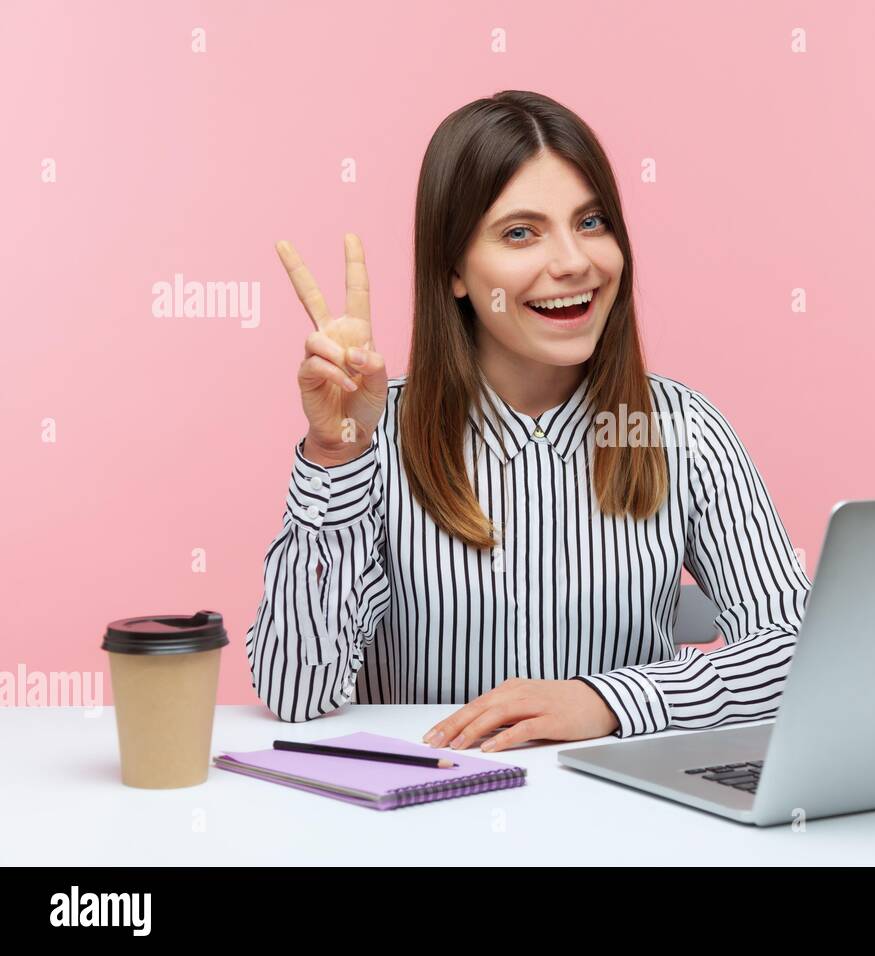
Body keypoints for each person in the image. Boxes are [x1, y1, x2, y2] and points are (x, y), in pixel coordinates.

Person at [246, 90, 811, 754]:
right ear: (455, 271)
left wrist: (607, 700)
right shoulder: (378, 436)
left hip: (623, 823)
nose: (573, 262)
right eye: (521, 232)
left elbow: (799, 653)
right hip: (422, 828)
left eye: (592, 222)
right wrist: (335, 455)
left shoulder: (679, 430)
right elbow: (295, 690)